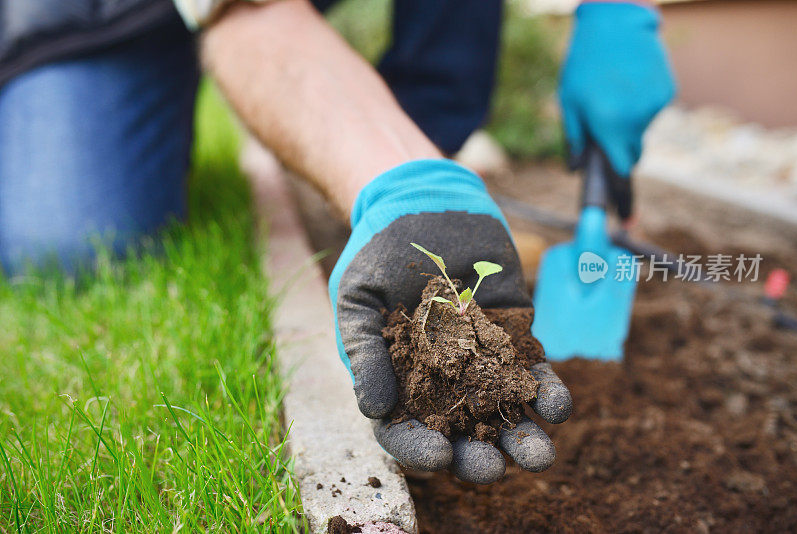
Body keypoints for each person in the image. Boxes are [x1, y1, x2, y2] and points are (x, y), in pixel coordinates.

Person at [0, 0, 673, 483]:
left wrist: (618, 10)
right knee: (66, 244)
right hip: (97, 17)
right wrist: (396, 182)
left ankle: (402, 123)